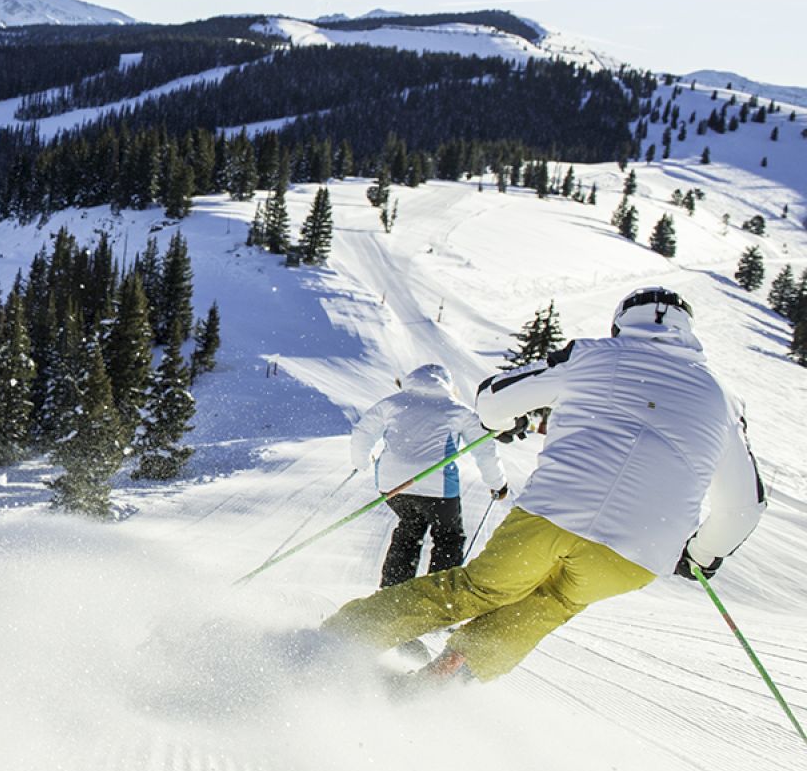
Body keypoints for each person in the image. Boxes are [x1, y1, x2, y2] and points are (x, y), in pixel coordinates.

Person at [323, 288, 765, 683]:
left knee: (475, 590)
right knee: (551, 604)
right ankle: (454, 672)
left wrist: (504, 418)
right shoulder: (723, 399)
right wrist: (701, 557)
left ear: (618, 324)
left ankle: (335, 643)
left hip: (555, 512)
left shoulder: (592, 355)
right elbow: (746, 505)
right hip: (642, 549)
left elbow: (493, 399)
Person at [349, 364, 508, 587]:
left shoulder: (393, 403)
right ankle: (436, 596)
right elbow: (485, 450)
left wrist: (360, 461)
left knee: (410, 529)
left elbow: (363, 432)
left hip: (393, 484)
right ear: (448, 385)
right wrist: (497, 484)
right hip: (437, 487)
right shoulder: (457, 409)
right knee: (448, 537)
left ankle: (391, 594)